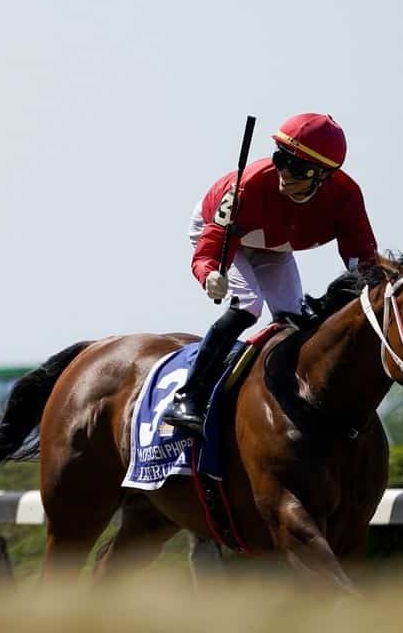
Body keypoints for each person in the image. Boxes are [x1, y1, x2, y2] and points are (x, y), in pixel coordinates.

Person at [162, 113, 379, 433]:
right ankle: (189, 396)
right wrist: (209, 275)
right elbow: (210, 247)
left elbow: (363, 261)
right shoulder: (248, 187)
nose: (284, 173)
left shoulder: (346, 197)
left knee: (294, 320)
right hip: (223, 236)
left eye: (297, 167)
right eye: (281, 159)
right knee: (249, 304)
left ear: (323, 176)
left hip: (273, 246)